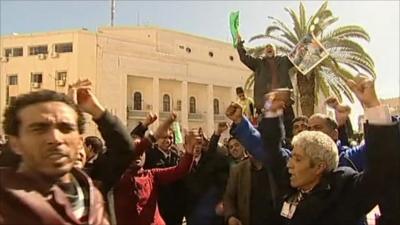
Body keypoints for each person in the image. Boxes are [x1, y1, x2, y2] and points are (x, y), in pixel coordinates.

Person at [226, 75, 399, 225]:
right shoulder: (290, 182)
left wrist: (372, 106)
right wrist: (271, 113)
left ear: (319, 167)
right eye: (292, 157)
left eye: (298, 159)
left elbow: (380, 169)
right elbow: (271, 150)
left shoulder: (344, 190)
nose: (290, 164)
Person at [0, 88, 109, 224]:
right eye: (39, 129)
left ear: (80, 142)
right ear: (15, 143)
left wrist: (98, 112)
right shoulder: (5, 202)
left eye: (66, 128)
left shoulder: (93, 198)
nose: (55, 138)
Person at [107, 120, 196, 225]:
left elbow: (179, 171)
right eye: (136, 152)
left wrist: (189, 152)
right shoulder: (116, 178)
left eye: (142, 152)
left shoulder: (151, 175)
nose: (139, 155)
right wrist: (146, 128)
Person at [236, 34, 294, 139]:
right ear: (264, 52)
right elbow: (244, 58)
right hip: (265, 106)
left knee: (289, 133)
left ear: (275, 51)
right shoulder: (258, 63)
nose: (269, 48)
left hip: (284, 105)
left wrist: (310, 43)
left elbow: (298, 55)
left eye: (271, 47)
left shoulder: (284, 60)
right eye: (267, 47)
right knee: (267, 136)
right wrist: (239, 45)